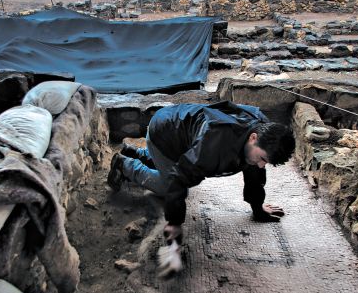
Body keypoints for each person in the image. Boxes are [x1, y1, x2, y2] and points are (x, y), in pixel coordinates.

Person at [107, 101, 295, 276]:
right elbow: (179, 178)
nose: (262, 165)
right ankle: (124, 165)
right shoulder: (216, 141)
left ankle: (136, 152)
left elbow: (255, 174)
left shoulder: (262, 130)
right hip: (163, 133)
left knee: (189, 166)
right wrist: (174, 222)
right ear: (253, 138)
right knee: (168, 186)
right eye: (262, 159)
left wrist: (258, 207)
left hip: (183, 131)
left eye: (266, 162)